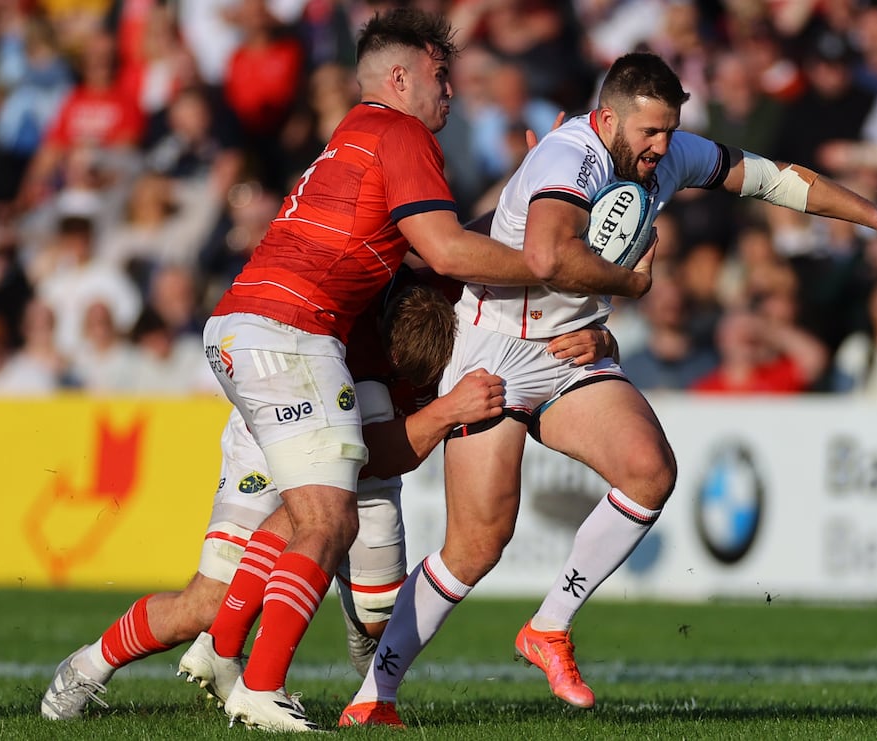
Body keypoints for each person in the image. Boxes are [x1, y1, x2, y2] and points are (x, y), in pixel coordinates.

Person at [339, 50, 877, 728]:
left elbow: (774, 180)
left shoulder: (668, 155)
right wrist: (633, 287)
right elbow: (549, 256)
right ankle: (374, 696)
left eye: (671, 130)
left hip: (574, 351)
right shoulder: (570, 158)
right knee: (478, 542)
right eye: (649, 133)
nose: (662, 147)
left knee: (649, 471)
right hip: (495, 347)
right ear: (607, 116)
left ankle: (549, 626)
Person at [39, 269, 612, 721]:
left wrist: (597, 332)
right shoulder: (350, 339)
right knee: (207, 605)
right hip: (277, 435)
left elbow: (518, 249)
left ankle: (357, 689)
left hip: (362, 467)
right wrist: (443, 411)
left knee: (380, 618)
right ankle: (89, 665)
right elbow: (373, 452)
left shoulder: (461, 299)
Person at [194, 7, 541, 732]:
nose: (450, 93)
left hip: (254, 321)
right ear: (400, 76)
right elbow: (447, 255)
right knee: (328, 518)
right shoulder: (401, 132)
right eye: (441, 78)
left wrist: (521, 196)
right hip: (294, 332)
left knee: (303, 522)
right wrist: (550, 267)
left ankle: (212, 651)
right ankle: (254, 680)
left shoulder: (358, 132)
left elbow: (435, 252)